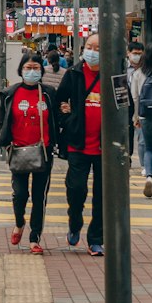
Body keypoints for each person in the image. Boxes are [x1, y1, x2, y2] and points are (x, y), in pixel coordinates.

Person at [0, 50, 55, 253]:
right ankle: (19, 222)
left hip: (43, 152)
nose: (32, 72)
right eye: (28, 68)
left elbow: (57, 119)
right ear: (21, 70)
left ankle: (34, 238)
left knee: (40, 197)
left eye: (36, 68)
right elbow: (2, 122)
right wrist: (6, 144)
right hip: (19, 151)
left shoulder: (48, 93)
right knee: (20, 194)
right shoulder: (9, 94)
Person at [56, 32, 104, 256]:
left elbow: (126, 106)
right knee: (76, 190)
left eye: (97, 48)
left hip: (105, 147)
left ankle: (96, 239)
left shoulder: (115, 75)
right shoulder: (73, 74)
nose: (92, 51)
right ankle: (75, 224)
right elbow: (59, 102)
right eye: (89, 46)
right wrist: (68, 119)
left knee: (103, 195)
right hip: (78, 143)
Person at [135, 51, 152, 198]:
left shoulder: (137, 74)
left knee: (149, 148)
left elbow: (135, 97)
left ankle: (149, 176)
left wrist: (135, 117)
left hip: (145, 115)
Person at [126, 41, 146, 172]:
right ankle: (127, 158)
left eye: (140, 54)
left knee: (142, 138)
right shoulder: (121, 67)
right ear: (128, 53)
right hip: (125, 106)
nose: (137, 56)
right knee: (127, 134)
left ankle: (145, 165)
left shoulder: (145, 70)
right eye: (135, 54)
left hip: (141, 106)